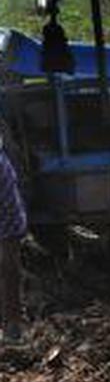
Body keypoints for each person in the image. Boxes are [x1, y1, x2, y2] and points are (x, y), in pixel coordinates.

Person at [0, 135, 26, 343]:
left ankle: (13, 325)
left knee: (9, 269)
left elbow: (10, 206)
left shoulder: (1, 165)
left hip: (8, 222)